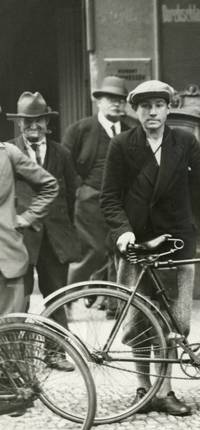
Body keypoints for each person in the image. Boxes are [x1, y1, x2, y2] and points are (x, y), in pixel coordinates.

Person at [101, 80, 200, 416]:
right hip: (137, 243)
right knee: (137, 318)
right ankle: (142, 387)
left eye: (159, 105)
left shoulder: (184, 142)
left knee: (174, 320)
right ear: (135, 110)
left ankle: (164, 391)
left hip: (177, 241)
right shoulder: (122, 146)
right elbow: (109, 197)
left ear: (169, 108)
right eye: (145, 106)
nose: (152, 112)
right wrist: (123, 231)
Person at [8, 92, 81, 364]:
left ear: (46, 123)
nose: (33, 127)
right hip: (22, 238)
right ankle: (17, 356)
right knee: (19, 297)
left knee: (58, 295)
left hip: (55, 238)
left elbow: (72, 193)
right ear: (19, 124)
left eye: (38, 121)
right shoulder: (9, 151)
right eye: (28, 122)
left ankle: (55, 353)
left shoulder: (62, 153)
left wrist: (64, 226)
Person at [63, 76, 139, 287]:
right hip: (90, 201)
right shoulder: (80, 129)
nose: (116, 104)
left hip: (123, 202)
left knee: (122, 249)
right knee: (93, 251)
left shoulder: (132, 129)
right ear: (98, 101)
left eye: (121, 100)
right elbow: (66, 166)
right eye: (110, 98)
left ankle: (115, 304)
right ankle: (65, 299)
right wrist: (81, 191)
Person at [1, 137, 58, 315]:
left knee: (10, 332)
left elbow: (49, 185)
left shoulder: (8, 152)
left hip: (6, 259)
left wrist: (28, 217)